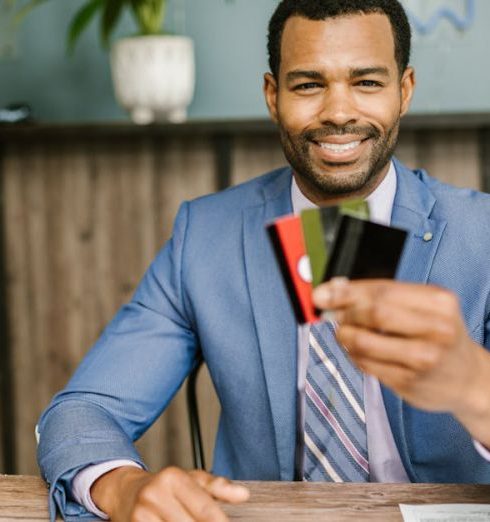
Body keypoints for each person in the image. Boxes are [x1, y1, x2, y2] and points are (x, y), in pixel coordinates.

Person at [38, 0, 490, 520]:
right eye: (307, 85)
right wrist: (123, 488)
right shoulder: (204, 237)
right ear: (272, 96)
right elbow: (82, 410)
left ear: (404, 90)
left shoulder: (481, 236)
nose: (339, 112)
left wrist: (475, 384)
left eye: (366, 83)